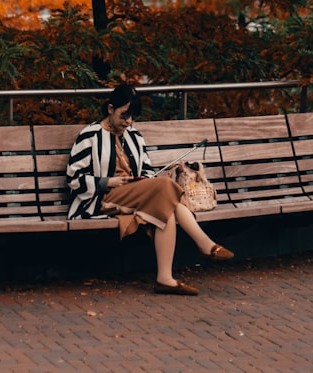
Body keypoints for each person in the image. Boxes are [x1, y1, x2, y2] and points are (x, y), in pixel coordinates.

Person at [66, 83, 234, 295]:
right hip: (103, 199)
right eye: (124, 115)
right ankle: (204, 244)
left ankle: (165, 279)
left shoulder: (134, 136)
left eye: (133, 117)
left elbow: (146, 170)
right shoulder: (90, 136)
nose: (129, 122)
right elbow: (74, 179)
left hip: (135, 196)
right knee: (165, 186)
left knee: (167, 210)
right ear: (110, 109)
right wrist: (108, 182)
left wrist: (141, 181)